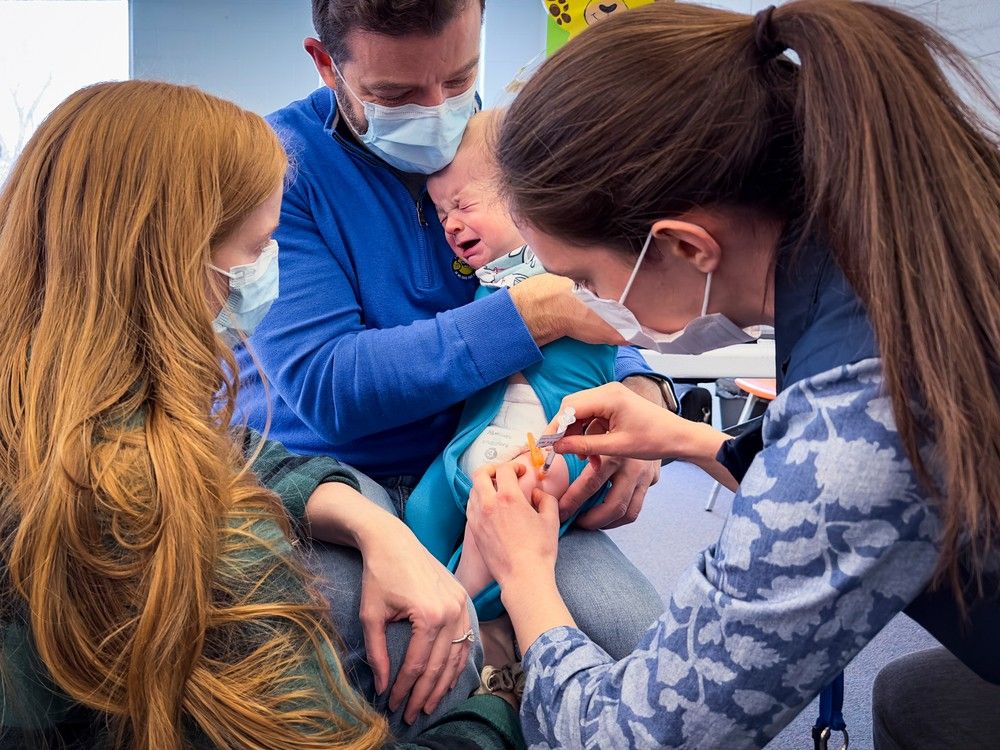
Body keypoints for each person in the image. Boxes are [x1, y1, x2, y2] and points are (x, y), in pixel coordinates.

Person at [463, 1, 1000, 748]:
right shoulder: (897, 234)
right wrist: (687, 439)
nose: (584, 302)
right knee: (914, 697)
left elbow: (628, 739)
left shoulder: (865, 410)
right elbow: (858, 494)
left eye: (583, 278)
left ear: (685, 246)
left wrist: (522, 576)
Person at [0, 80, 524, 749]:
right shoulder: (210, 532)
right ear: (174, 262)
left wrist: (367, 521)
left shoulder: (56, 408)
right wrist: (495, 702)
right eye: (260, 245)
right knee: (438, 651)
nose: (270, 268)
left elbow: (229, 444)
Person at [234, 0, 669, 663]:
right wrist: (535, 312)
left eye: (460, 78)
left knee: (638, 647)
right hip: (338, 473)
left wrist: (640, 386)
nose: (437, 111)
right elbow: (331, 386)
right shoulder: (277, 166)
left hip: (490, 455)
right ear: (327, 66)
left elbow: (579, 263)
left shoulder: (498, 138)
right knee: (423, 653)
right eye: (396, 93)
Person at [407, 110, 640, 622]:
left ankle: (469, 617)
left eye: (463, 204)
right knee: (421, 511)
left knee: (507, 520)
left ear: (524, 196)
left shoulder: (571, 257)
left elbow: (631, 318)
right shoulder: (483, 281)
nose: (450, 223)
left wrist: (645, 390)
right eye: (441, 212)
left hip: (558, 439)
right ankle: (444, 601)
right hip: (473, 443)